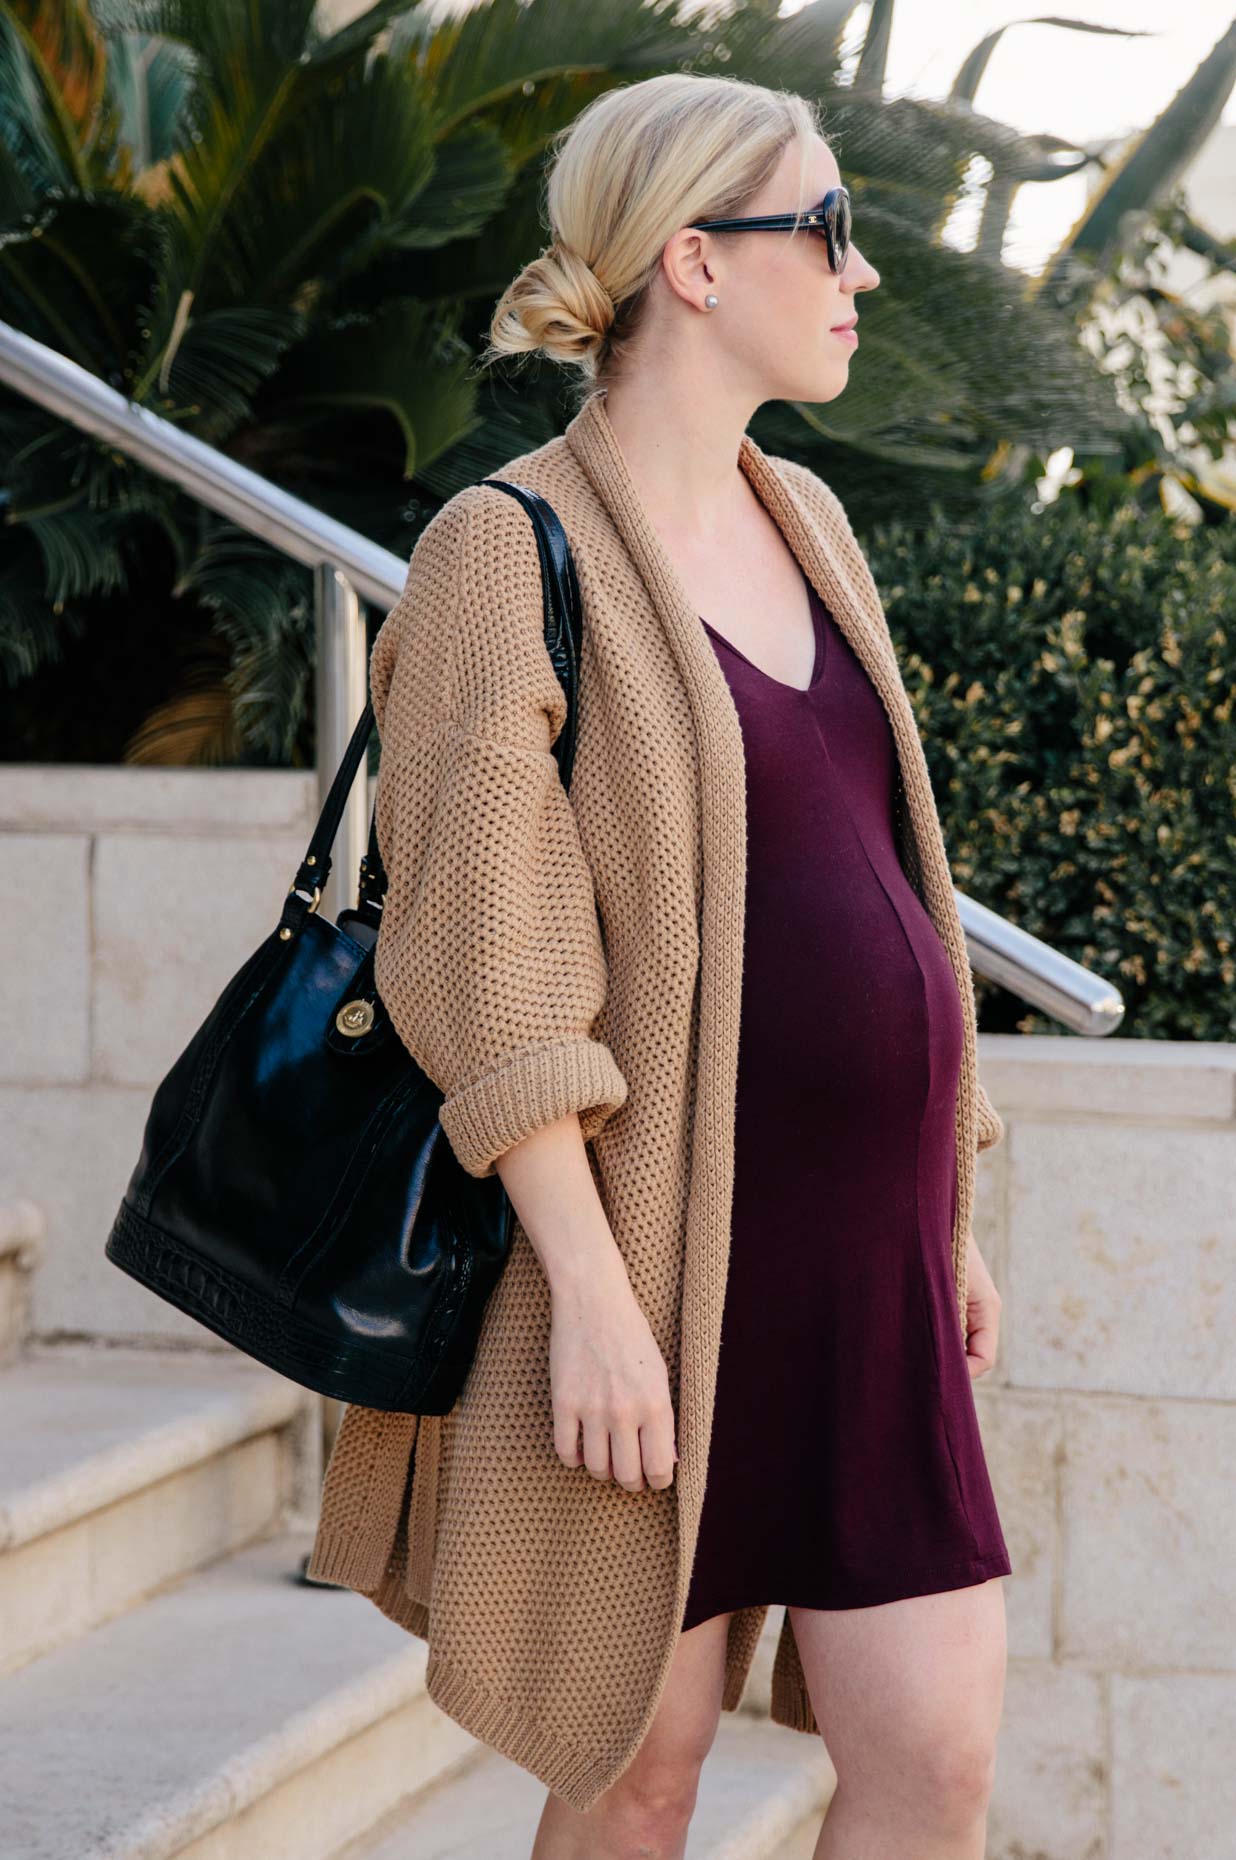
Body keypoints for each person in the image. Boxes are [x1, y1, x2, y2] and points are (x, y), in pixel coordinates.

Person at [307, 71, 1011, 1860]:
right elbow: (491, 954)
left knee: (932, 1760)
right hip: (648, 1265)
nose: (863, 277)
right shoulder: (505, 548)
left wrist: (947, 1206)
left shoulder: (812, 527)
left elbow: (880, 879)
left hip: (867, 1273)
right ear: (695, 264)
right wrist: (596, 1307)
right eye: (829, 231)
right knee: (641, 1775)